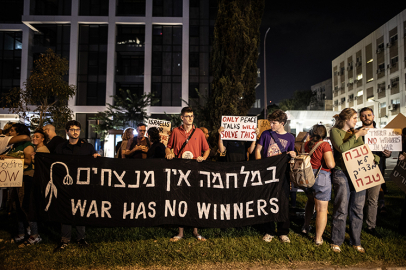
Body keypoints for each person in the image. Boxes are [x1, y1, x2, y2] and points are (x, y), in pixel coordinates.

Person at [330, 108, 379, 253]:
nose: (357, 121)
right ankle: (336, 240)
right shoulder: (335, 132)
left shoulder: (356, 133)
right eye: (355, 118)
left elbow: (364, 150)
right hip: (342, 173)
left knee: (357, 208)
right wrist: (357, 135)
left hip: (359, 173)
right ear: (346, 119)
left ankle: (355, 241)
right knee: (341, 208)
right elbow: (343, 148)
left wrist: (375, 158)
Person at [53, 120, 100, 252]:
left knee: (81, 209)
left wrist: (96, 157)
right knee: (66, 210)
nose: (75, 132)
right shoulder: (61, 147)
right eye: (72, 129)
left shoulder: (87, 147)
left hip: (81, 185)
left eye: (77, 129)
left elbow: (95, 163)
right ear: (67, 131)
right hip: (65, 185)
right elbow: (53, 162)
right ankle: (65, 239)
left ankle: (81, 238)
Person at [165, 107, 210, 241]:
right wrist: (169, 154)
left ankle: (196, 231)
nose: (190, 118)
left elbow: (207, 150)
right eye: (187, 116)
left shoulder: (199, 132)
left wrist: (204, 158)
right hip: (180, 170)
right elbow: (168, 147)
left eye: (192, 116)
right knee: (180, 200)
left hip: (195, 170)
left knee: (195, 200)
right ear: (182, 118)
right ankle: (180, 233)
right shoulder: (175, 131)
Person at [255, 109, 296, 243]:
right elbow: (258, 150)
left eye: (274, 123)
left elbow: (292, 154)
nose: (271, 125)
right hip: (268, 173)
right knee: (268, 200)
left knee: (283, 201)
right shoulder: (266, 134)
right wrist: (261, 165)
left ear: (282, 123)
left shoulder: (290, 137)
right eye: (270, 122)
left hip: (283, 174)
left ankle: (283, 231)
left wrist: (293, 155)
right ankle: (269, 230)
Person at [358, 107, 391, 238]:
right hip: (359, 169)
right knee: (359, 200)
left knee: (373, 200)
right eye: (363, 116)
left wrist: (387, 154)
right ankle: (357, 224)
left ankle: (371, 226)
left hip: (375, 169)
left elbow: (386, 152)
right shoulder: (357, 133)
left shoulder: (381, 133)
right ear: (360, 118)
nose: (366, 117)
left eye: (368, 115)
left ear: (373, 116)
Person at [301, 124, 335, 245]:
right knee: (321, 209)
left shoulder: (306, 144)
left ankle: (305, 226)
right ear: (324, 134)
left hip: (307, 177)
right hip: (321, 178)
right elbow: (331, 165)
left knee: (310, 202)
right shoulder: (324, 145)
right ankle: (318, 238)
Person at [18, 129, 50, 247]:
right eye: (34, 136)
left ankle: (34, 233)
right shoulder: (37, 150)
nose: (34, 138)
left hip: (35, 181)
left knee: (30, 205)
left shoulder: (43, 151)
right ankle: (30, 230)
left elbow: (43, 167)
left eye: (37, 136)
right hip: (33, 180)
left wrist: (34, 159)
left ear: (43, 139)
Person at [3, 123, 35, 244]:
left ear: (19, 132)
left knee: (25, 206)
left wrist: (9, 158)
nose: (10, 133)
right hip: (14, 178)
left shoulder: (27, 145)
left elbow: (28, 160)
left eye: (12, 131)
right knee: (17, 206)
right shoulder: (14, 145)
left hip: (25, 177)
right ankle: (22, 233)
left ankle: (34, 233)